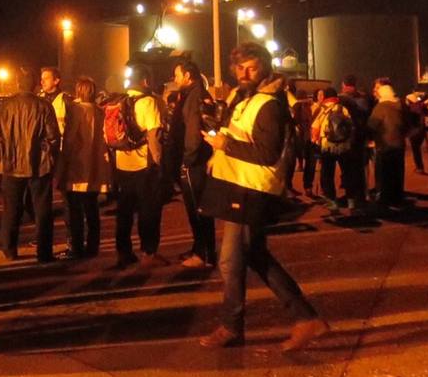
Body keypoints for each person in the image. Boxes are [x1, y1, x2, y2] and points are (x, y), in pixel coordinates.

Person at [199, 42, 327, 351]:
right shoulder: (244, 98)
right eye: (240, 68)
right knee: (254, 254)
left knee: (230, 260)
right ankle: (305, 318)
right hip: (238, 184)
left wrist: (223, 146)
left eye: (252, 68)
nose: (245, 73)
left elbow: (266, 153)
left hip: (252, 188)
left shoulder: (269, 104)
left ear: (264, 68)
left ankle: (232, 326)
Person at [0, 68, 60, 263]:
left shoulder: (5, 106)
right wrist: (46, 151)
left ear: (17, 85)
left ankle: (9, 248)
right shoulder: (44, 106)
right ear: (34, 85)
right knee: (42, 209)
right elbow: (53, 137)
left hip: (10, 164)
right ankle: (44, 252)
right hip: (38, 164)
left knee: (11, 208)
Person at [112, 64, 167, 270]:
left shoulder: (118, 101)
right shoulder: (149, 102)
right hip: (143, 165)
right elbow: (154, 137)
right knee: (149, 210)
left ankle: (123, 252)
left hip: (121, 163)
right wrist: (159, 161)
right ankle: (148, 252)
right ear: (145, 81)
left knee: (124, 211)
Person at [166, 61, 216, 268]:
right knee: (196, 209)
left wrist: (187, 160)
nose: (175, 79)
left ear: (187, 76)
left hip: (193, 163)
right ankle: (199, 248)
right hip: (193, 161)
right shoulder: (192, 95)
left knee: (198, 210)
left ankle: (204, 254)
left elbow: (193, 132)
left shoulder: (194, 96)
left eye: (177, 75)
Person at [54, 77, 108, 259]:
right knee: (92, 208)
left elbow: (69, 140)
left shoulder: (76, 110)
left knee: (73, 209)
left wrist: (62, 163)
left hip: (77, 165)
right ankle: (93, 246)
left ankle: (75, 246)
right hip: (95, 164)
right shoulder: (100, 111)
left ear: (79, 91)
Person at [368, 79, 407, 208]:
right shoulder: (400, 105)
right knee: (397, 172)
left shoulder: (381, 107)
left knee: (383, 173)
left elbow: (371, 125)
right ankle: (397, 198)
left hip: (384, 145)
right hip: (399, 145)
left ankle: (384, 198)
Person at [310, 87, 350, 210]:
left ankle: (332, 200)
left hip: (327, 145)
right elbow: (350, 125)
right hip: (344, 145)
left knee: (327, 173)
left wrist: (315, 142)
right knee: (347, 172)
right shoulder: (342, 108)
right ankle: (351, 199)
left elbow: (315, 128)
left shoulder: (322, 109)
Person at [337, 74, 371, 211]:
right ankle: (360, 196)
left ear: (344, 84)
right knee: (359, 168)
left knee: (348, 169)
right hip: (360, 137)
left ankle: (351, 197)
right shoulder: (363, 98)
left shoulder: (342, 99)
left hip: (347, 138)